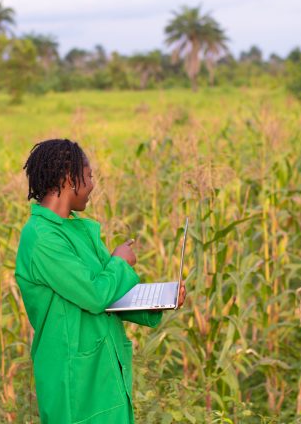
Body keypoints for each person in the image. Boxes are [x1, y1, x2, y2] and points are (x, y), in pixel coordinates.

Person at [15, 138, 186, 423]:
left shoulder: (77, 231)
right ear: (70, 178)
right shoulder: (42, 238)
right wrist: (120, 260)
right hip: (75, 382)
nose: (93, 184)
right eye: (89, 176)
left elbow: (110, 293)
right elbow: (95, 294)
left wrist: (159, 301)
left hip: (103, 374)